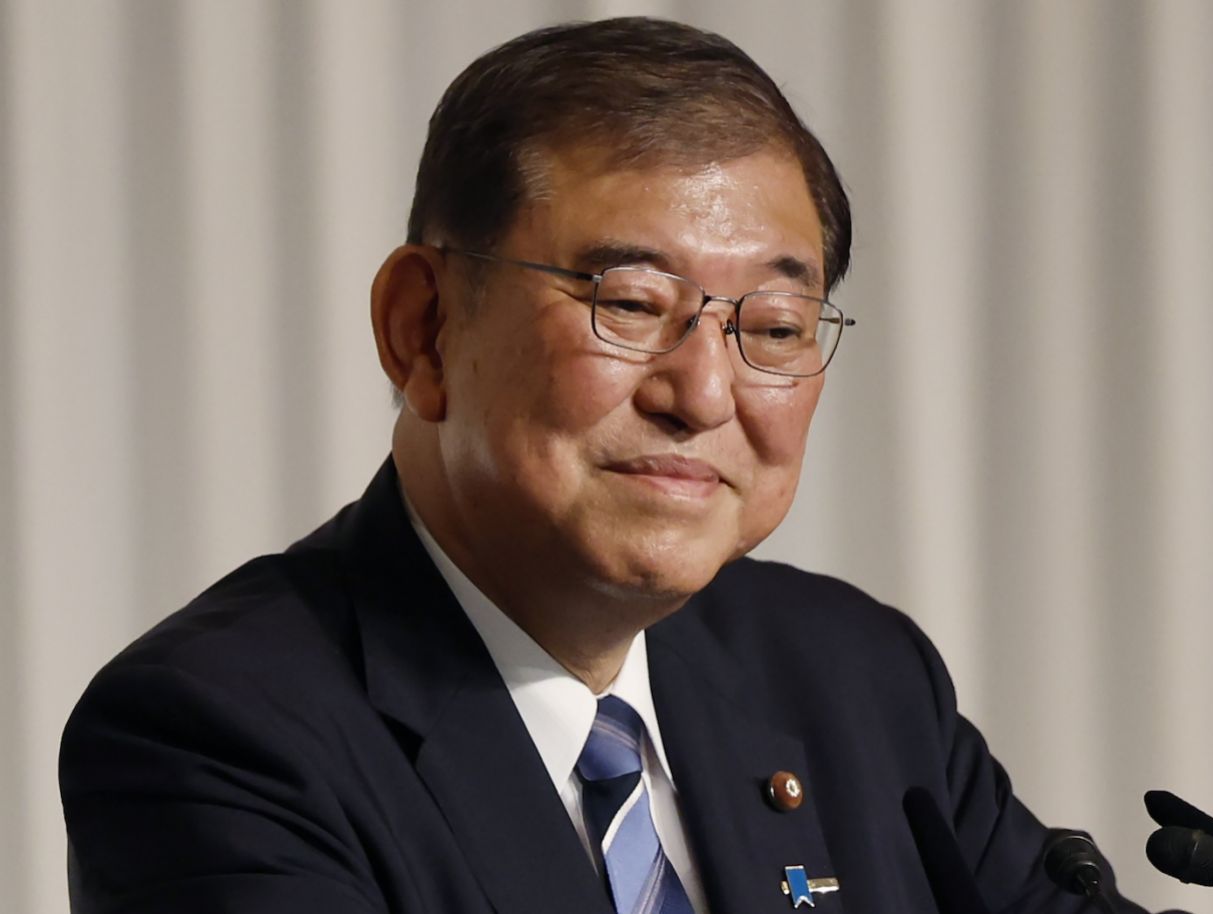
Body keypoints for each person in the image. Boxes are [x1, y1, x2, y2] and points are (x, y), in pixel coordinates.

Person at [59, 17, 1152, 914]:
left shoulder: (852, 677)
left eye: (772, 326)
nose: (703, 393)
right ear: (422, 328)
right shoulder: (215, 732)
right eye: (630, 305)